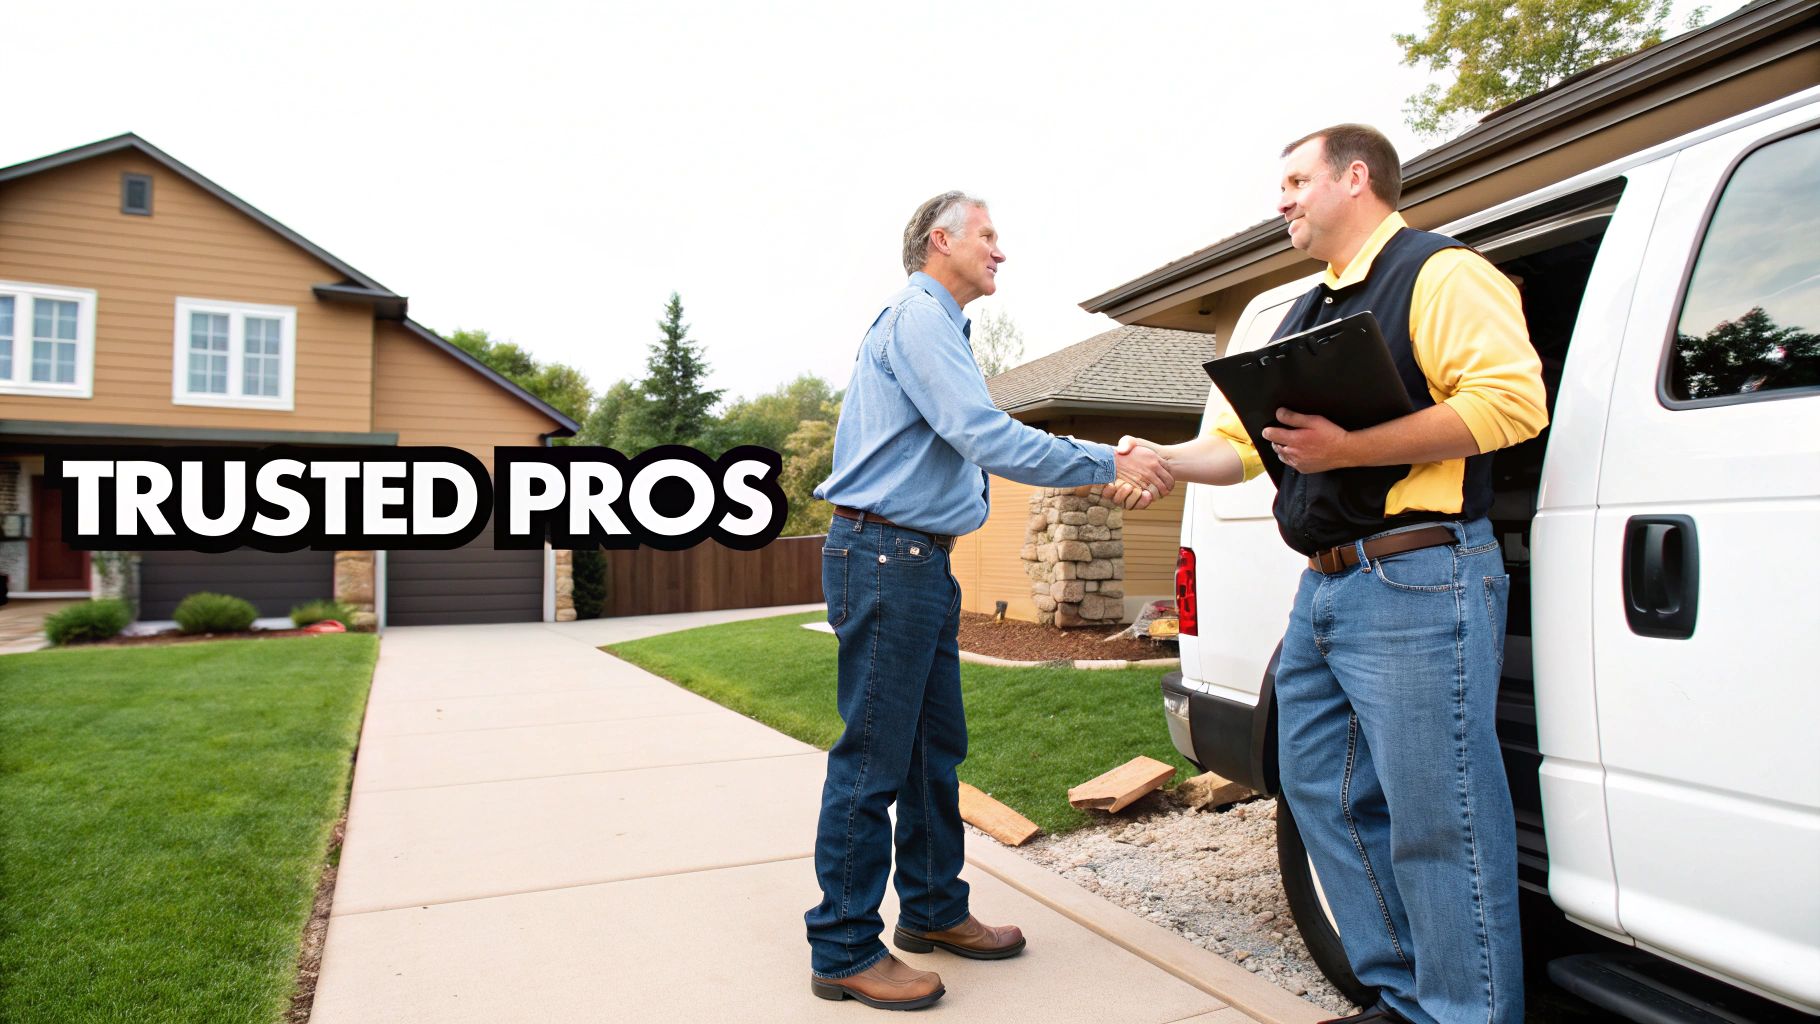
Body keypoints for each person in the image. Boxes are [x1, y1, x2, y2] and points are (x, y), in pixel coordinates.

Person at [1114, 125, 1547, 1024]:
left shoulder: (1441, 274)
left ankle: (1466, 1014)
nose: (1281, 200)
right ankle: (1401, 996)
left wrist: (1350, 447)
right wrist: (1159, 457)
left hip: (1418, 577)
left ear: (1357, 178)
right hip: (1324, 589)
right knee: (1320, 789)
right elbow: (1239, 451)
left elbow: (1511, 403)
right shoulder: (1310, 312)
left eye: (1295, 180)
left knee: (1440, 817)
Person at [804, 190, 1173, 1011]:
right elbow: (983, 434)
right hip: (885, 558)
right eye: (988, 236)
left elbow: (959, 440)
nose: (1001, 251)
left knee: (935, 749)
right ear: (941, 241)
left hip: (915, 561)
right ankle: (842, 948)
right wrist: (1105, 459)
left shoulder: (939, 328)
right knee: (872, 757)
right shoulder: (919, 319)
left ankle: (934, 911)